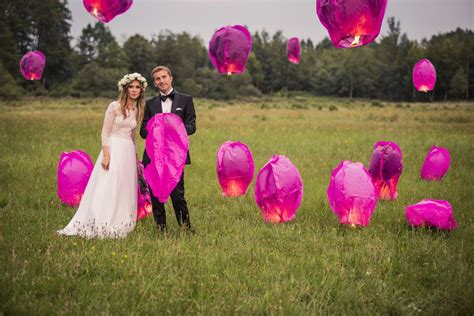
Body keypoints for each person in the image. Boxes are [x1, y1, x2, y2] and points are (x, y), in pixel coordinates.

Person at [58, 73, 147, 238]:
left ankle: (121, 220)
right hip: (113, 148)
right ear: (125, 89)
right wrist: (107, 156)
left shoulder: (137, 110)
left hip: (127, 150)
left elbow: (133, 137)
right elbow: (105, 133)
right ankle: (100, 220)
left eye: (137, 88)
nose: (134, 90)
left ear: (141, 91)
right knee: (108, 184)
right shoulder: (114, 106)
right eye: (131, 87)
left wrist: (135, 159)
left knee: (124, 186)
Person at [140, 66, 196, 233]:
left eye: (164, 77)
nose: (161, 81)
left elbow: (192, 126)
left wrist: (175, 128)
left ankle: (186, 229)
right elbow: (143, 131)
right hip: (153, 157)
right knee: (156, 194)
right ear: (155, 83)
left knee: (177, 195)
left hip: (175, 157)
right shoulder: (150, 104)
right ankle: (161, 230)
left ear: (171, 78)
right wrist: (155, 127)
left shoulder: (186, 100)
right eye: (157, 79)